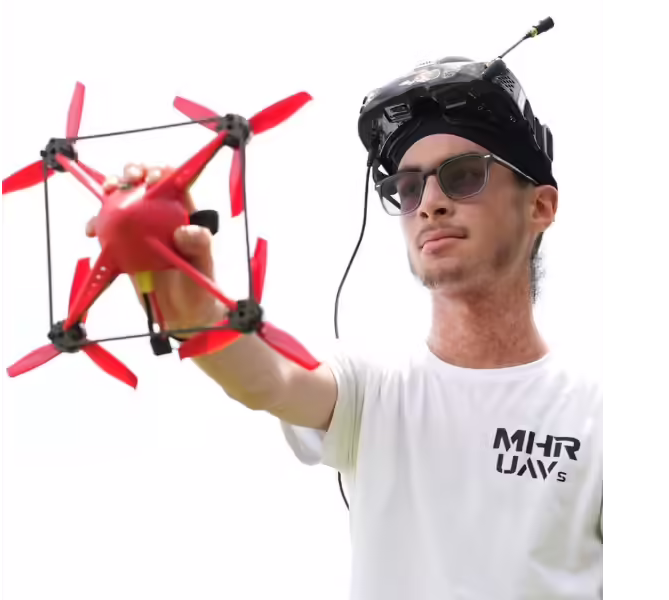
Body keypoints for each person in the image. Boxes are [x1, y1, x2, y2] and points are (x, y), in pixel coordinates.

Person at [85, 57, 603, 600]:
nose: (430, 204)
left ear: (540, 206)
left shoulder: (592, 408)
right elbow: (271, 380)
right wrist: (198, 316)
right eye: (407, 187)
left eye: (465, 175)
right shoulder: (374, 384)